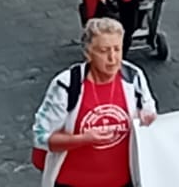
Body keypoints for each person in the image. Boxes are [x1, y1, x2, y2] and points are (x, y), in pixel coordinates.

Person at [31, 18, 157, 187]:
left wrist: (148, 117)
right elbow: (41, 136)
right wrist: (82, 139)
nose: (112, 58)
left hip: (124, 181)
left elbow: (149, 109)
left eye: (117, 49)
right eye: (104, 51)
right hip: (73, 182)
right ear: (88, 53)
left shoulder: (134, 77)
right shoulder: (67, 85)